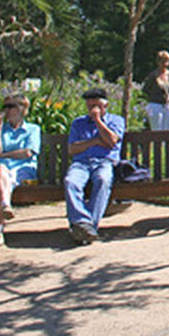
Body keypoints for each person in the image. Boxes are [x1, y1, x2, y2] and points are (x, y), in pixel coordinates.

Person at [63, 87, 126, 244]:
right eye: (90, 106)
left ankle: (85, 227)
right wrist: (95, 141)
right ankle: (85, 225)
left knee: (103, 180)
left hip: (105, 162)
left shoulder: (116, 121)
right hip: (81, 163)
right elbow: (72, 149)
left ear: (105, 106)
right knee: (70, 182)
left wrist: (98, 121)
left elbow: (111, 141)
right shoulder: (78, 123)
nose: (93, 109)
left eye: (97, 106)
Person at [0, 93, 41, 246]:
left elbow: (28, 152)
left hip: (23, 170)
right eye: (5, 107)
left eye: (11, 106)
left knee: (3, 178)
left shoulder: (32, 129)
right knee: (1, 171)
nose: (7, 110)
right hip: (1, 171)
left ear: (22, 109)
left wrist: (4, 155)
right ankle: (5, 205)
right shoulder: (0, 129)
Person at [142, 50, 169, 131]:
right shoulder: (152, 76)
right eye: (163, 61)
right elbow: (145, 89)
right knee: (156, 131)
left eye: (167, 61)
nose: (165, 64)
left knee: (168, 131)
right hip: (155, 105)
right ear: (158, 62)